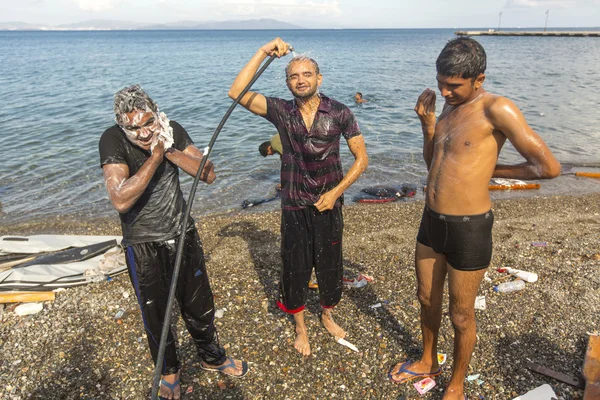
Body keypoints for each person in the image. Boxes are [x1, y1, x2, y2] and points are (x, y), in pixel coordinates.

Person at [387, 38, 561, 399]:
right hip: (431, 221)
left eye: (454, 86)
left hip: (469, 228)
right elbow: (434, 162)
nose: (445, 91)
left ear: (478, 79)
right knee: (425, 298)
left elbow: (548, 168)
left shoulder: (498, 109)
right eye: (441, 83)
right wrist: (427, 123)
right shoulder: (449, 108)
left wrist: (492, 169)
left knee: (461, 315)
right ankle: (428, 360)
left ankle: (456, 384)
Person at [99, 85, 248, 400]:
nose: (142, 132)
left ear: (156, 114)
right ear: (121, 125)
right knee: (156, 315)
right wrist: (154, 157)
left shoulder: (172, 131)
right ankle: (169, 372)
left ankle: (212, 357)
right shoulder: (111, 139)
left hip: (182, 234)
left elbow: (208, 175)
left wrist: (169, 149)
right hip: (142, 244)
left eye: (148, 122)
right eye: (133, 127)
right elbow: (120, 199)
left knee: (199, 305)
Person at [229, 38, 368, 356]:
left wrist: (335, 193)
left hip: (328, 205)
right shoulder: (280, 111)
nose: (301, 80)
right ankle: (301, 328)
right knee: (295, 268)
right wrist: (263, 51)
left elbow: (362, 159)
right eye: (294, 76)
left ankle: (327, 316)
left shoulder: (340, 112)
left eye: (307, 74)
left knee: (330, 266)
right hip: (294, 205)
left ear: (319, 79)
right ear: (288, 82)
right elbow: (236, 93)